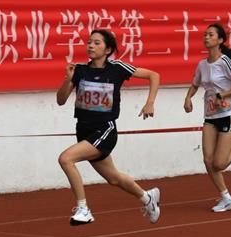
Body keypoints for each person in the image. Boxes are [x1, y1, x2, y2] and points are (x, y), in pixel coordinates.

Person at [56, 29, 161, 225]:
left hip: (105, 130)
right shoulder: (79, 70)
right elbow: (61, 101)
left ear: (107, 49)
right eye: (89, 42)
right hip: (84, 130)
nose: (90, 46)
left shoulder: (117, 68)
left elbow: (153, 75)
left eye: (96, 43)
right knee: (114, 178)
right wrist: (68, 79)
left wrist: (150, 103)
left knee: (66, 159)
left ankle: (83, 209)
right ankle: (148, 198)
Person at [184, 23, 231, 213]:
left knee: (219, 164)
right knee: (208, 161)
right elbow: (195, 84)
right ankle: (226, 198)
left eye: (211, 35)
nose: (206, 37)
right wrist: (188, 98)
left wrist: (222, 95)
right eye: (205, 35)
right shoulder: (202, 64)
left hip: (228, 114)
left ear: (220, 40)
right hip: (210, 116)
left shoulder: (226, 62)